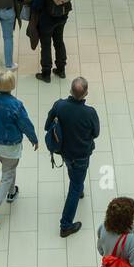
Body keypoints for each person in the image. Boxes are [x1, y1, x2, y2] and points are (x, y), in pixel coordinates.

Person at [0, 70, 39, 228]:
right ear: (12, 85)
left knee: (9, 168)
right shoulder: (16, 105)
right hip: (10, 147)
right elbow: (25, 125)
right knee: (7, 173)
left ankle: (12, 192)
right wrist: (34, 139)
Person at [47, 77, 100, 237]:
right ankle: (65, 225)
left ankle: (80, 187)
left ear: (70, 90)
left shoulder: (59, 105)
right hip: (82, 155)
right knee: (74, 187)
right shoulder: (90, 113)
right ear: (86, 94)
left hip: (65, 153)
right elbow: (96, 133)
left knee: (74, 174)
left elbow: (47, 125)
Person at [29, 0, 73, 82]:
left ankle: (46, 73)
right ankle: (61, 69)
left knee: (46, 45)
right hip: (62, 17)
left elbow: (37, 5)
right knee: (59, 42)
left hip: (46, 21)